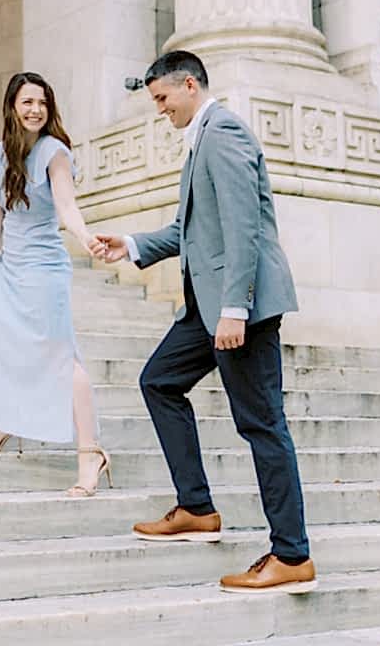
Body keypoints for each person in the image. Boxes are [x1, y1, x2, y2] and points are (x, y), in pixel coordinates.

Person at [99, 50, 316, 593]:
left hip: (237, 307)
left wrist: (235, 308)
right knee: (159, 381)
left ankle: (291, 554)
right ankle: (196, 507)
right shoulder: (201, 140)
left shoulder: (223, 134)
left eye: (162, 99)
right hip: (207, 306)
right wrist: (130, 244)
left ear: (189, 85)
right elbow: (189, 230)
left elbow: (246, 229)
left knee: (262, 424)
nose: (159, 110)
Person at [0, 71, 112, 497]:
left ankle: (91, 454)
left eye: (42, 103)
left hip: (44, 270)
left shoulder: (54, 152)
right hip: (8, 267)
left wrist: (85, 236)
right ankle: (6, 421)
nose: (35, 110)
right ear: (12, 107)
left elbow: (67, 205)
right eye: (27, 102)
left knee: (60, 357)